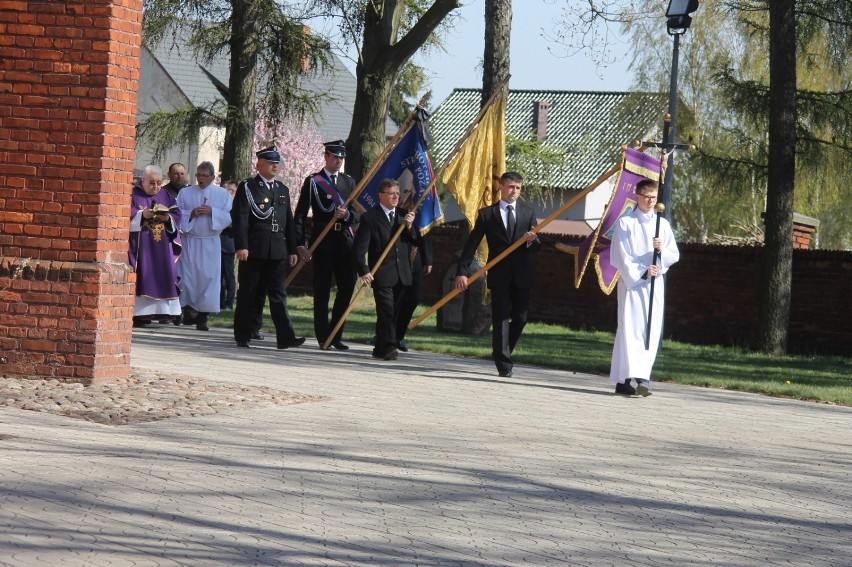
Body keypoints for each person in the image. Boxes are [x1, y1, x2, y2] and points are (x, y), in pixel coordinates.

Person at [455, 172, 540, 378]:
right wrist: (462, 272)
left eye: (518, 188)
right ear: (501, 187)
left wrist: (531, 240)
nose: (514, 191)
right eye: (511, 187)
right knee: (501, 317)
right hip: (500, 274)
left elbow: (537, 244)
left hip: (522, 274)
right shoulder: (487, 214)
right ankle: (503, 362)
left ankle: (503, 348)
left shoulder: (528, 212)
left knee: (521, 317)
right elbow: (471, 244)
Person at [609, 179, 680, 397]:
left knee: (650, 327)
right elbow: (621, 255)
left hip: (654, 284)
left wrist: (661, 254)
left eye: (653, 197)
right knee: (631, 329)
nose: (650, 201)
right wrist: (642, 271)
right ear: (637, 197)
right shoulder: (626, 223)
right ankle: (634, 377)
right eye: (646, 197)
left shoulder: (662, 225)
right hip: (634, 284)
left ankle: (639, 377)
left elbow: (673, 254)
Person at [231, 147, 304, 349]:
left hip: (277, 250)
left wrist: (292, 249)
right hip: (254, 249)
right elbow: (240, 218)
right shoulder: (248, 187)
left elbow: (287, 220)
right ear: (259, 164)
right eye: (270, 162)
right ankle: (243, 334)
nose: (275, 166)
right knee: (249, 293)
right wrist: (242, 246)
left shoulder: (282, 189)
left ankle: (286, 337)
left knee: (278, 294)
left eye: (277, 163)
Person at [293, 140, 359, 350]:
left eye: (341, 158)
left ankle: (336, 334)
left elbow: (359, 213)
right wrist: (299, 244)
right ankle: (323, 336)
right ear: (326, 156)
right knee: (321, 290)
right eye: (335, 157)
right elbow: (301, 215)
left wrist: (347, 214)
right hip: (323, 242)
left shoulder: (349, 182)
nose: (338, 161)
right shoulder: (313, 181)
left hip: (345, 243)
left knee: (347, 287)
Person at [354, 178, 418, 361]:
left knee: (393, 313)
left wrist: (410, 227)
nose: (396, 197)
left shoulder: (403, 215)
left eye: (398, 193)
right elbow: (359, 248)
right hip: (382, 273)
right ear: (381, 195)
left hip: (402, 273)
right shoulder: (370, 218)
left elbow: (415, 241)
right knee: (386, 311)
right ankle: (390, 346)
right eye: (392, 194)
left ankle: (380, 347)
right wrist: (364, 270)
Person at [176, 161, 233, 331]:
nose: (200, 179)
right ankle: (185, 311)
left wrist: (212, 212)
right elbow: (176, 213)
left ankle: (203, 317)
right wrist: (190, 213)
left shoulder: (222, 194)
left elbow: (230, 217)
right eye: (198, 175)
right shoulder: (185, 193)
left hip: (210, 242)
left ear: (213, 177)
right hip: (190, 240)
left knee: (208, 279)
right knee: (187, 277)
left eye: (204, 176)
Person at [128, 165, 182, 327]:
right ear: (142, 180)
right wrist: (142, 215)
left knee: (164, 273)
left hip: (162, 247)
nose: (156, 187)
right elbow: (125, 213)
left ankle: (164, 313)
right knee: (143, 274)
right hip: (142, 246)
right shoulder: (133, 194)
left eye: (159, 183)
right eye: (152, 183)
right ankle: (140, 315)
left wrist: (167, 219)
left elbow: (177, 215)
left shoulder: (166, 195)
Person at [394, 233, 432, 352]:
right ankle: (385, 335)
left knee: (414, 297)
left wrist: (428, 258)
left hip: (415, 254)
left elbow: (425, 230)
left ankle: (398, 336)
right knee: (395, 298)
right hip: (397, 253)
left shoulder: (418, 214)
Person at [219, 180, 238, 310]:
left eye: (227, 190)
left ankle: (229, 302)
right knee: (219, 276)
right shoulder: (220, 204)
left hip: (228, 244)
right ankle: (219, 301)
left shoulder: (237, 206)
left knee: (229, 275)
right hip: (217, 243)